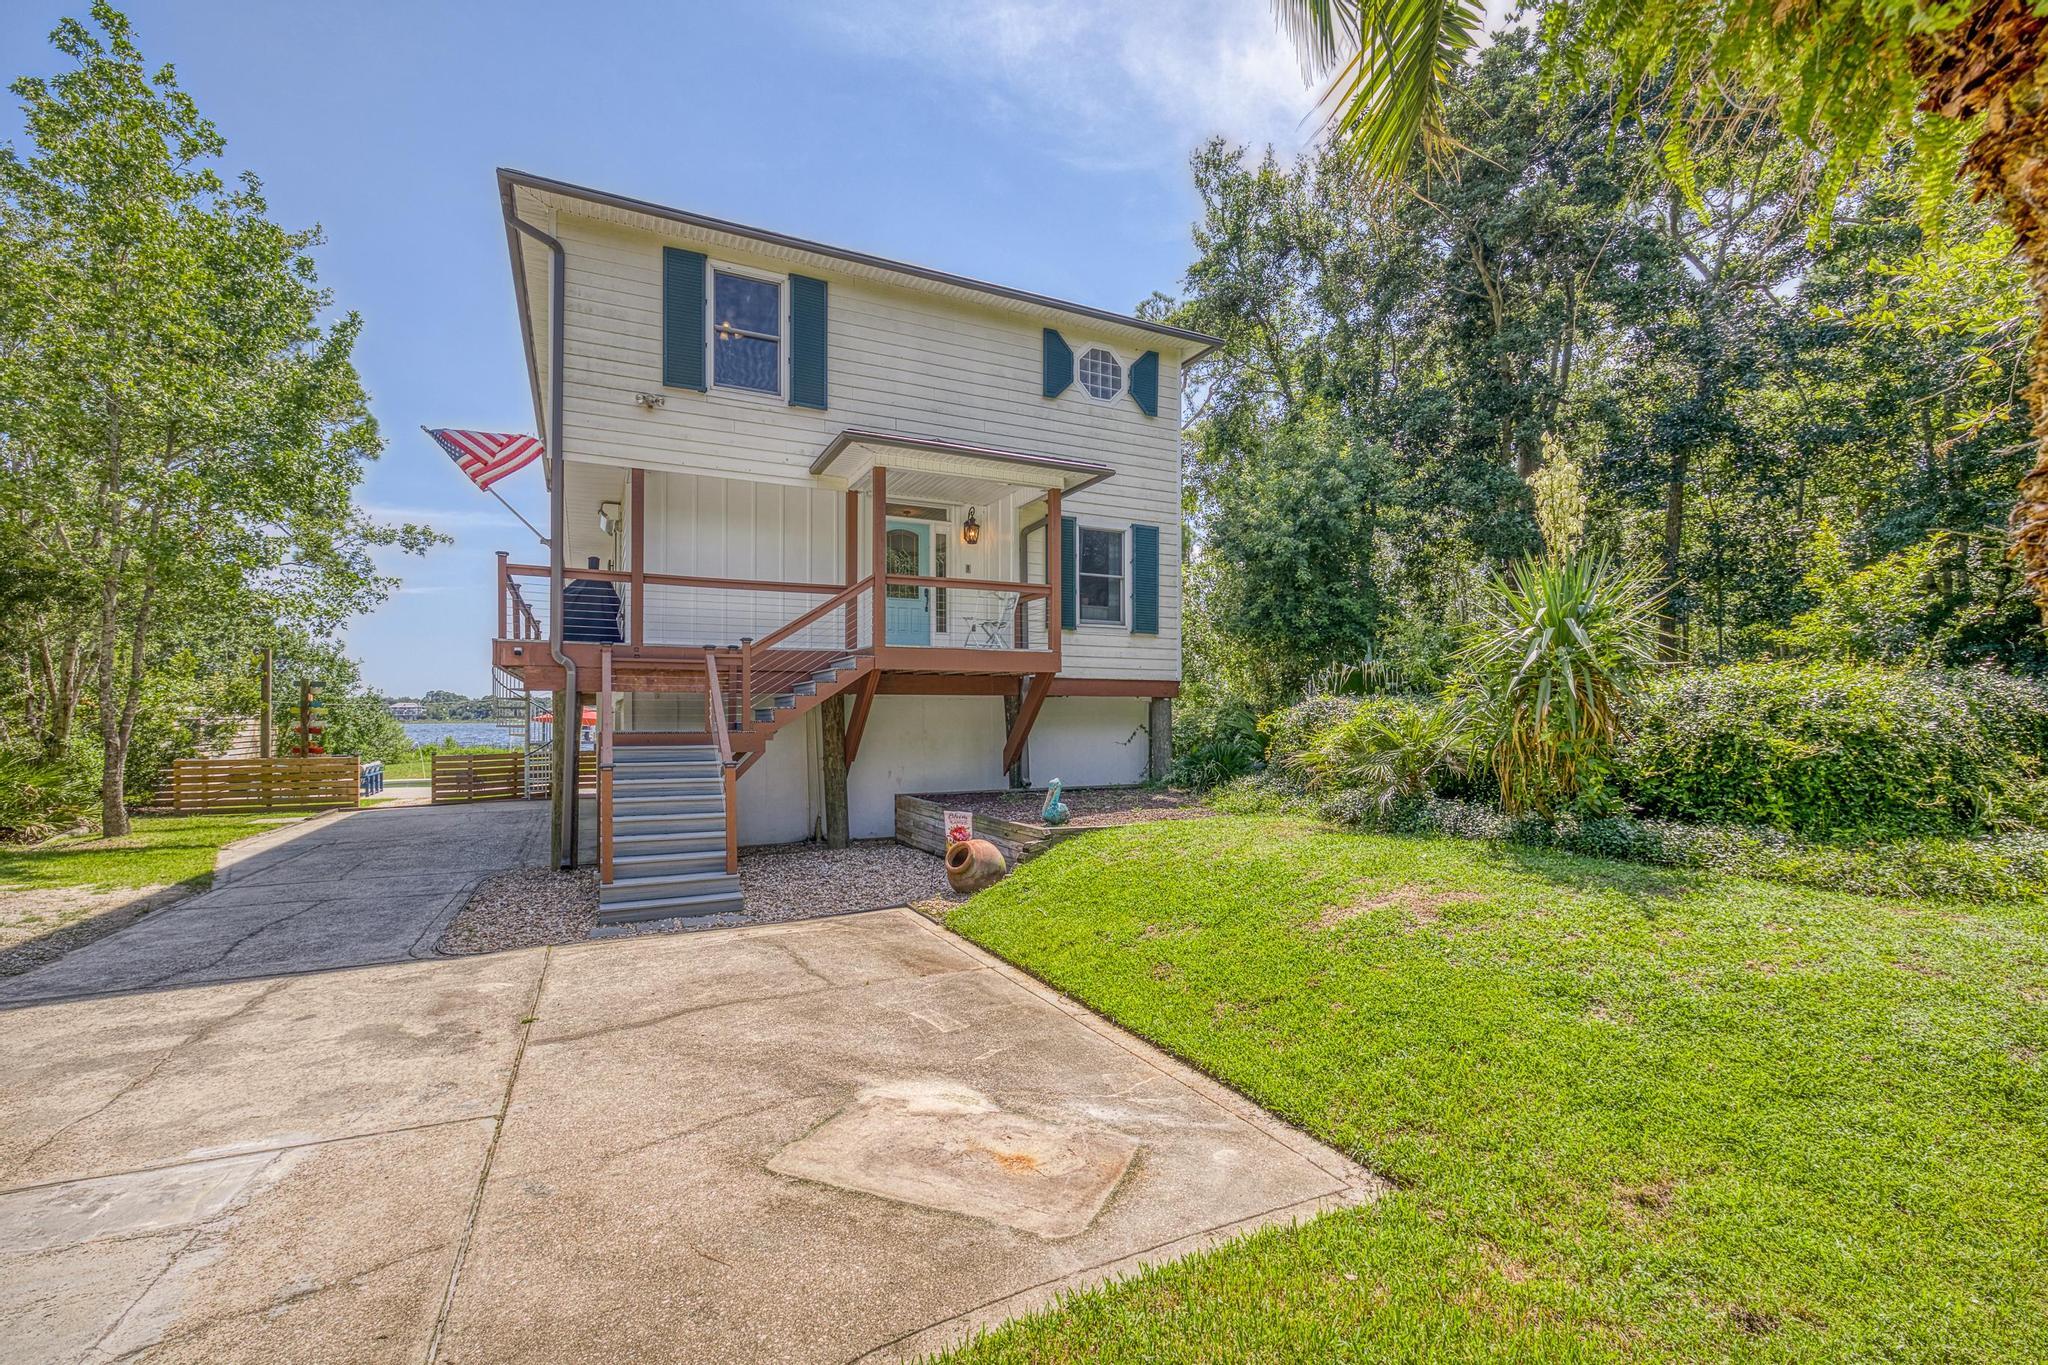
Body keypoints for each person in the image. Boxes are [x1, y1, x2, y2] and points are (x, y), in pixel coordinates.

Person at [561, 556, 623, 643]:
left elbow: (564, 598)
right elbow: (616, 604)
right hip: (603, 633)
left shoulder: (578, 584)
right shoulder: (604, 584)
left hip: (574, 634)